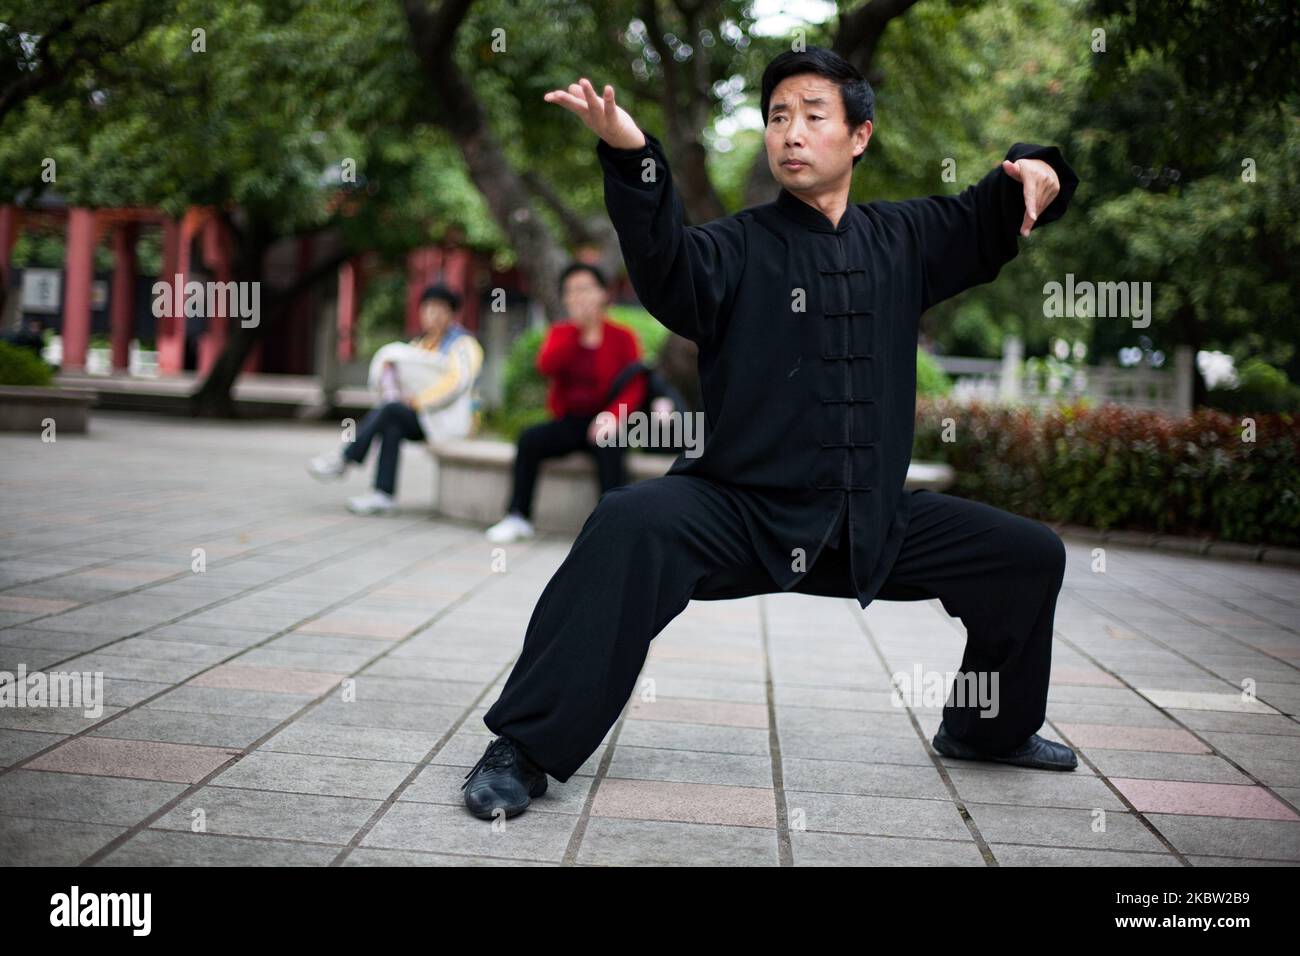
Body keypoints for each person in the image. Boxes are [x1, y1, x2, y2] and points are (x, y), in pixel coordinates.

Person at [461, 48, 1081, 821]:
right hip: (742, 512)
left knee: (1028, 556)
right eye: (778, 117)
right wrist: (630, 153)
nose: (791, 133)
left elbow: (1001, 203)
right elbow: (664, 264)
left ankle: (989, 730)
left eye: (813, 115)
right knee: (629, 524)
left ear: (859, 135)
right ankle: (522, 748)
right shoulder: (734, 246)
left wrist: (1035, 167)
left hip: (870, 520)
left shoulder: (908, 237)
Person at [483, 263, 646, 543]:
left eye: (584, 288)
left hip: (608, 421)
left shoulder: (623, 336)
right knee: (529, 440)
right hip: (572, 420)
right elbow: (547, 366)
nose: (578, 296)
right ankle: (518, 516)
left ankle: (611, 525)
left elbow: (636, 385)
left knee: (612, 448)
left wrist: (613, 416)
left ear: (602, 294)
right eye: (571, 291)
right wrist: (578, 332)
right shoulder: (561, 333)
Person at [306, 283, 484, 514]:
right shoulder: (419, 346)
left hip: (450, 421)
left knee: (391, 411)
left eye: (439, 309)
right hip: (424, 419)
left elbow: (459, 382)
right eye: (428, 309)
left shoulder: (464, 345)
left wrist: (419, 400)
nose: (433, 315)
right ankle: (383, 494)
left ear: (451, 313)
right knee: (392, 425)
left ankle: (346, 458)